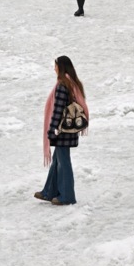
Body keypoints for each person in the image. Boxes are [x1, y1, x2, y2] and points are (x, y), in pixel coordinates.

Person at [35, 55, 88, 206]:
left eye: (56, 66)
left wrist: (52, 130)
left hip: (62, 130)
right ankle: (49, 191)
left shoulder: (62, 85)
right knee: (57, 160)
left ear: (61, 67)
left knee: (63, 162)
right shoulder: (74, 84)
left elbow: (58, 110)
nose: (54, 68)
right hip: (70, 129)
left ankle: (67, 196)